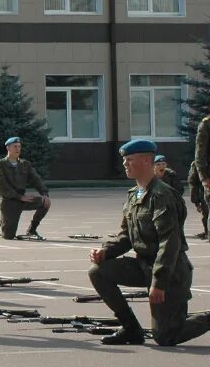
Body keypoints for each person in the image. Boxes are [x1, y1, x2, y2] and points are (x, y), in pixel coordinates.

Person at [88, 138, 210, 346]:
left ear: (146, 160)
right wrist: (105, 252)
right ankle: (130, 329)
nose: (125, 164)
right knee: (98, 270)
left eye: (129, 160)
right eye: (124, 160)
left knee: (165, 337)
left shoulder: (163, 195)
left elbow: (169, 243)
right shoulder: (134, 195)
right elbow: (126, 236)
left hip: (170, 272)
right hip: (144, 265)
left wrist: (159, 283)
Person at [0, 136, 51, 241]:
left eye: (19, 147)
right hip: (9, 201)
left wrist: (44, 194)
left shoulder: (25, 164)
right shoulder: (0, 164)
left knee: (45, 202)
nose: (18, 149)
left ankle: (31, 230)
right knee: (8, 236)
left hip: (23, 199)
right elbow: (2, 187)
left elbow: (36, 179)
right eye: (15, 146)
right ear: (8, 148)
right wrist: (19, 197)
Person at [188, 161, 208, 240]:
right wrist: (196, 201)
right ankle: (207, 232)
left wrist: (196, 201)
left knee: (206, 214)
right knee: (206, 214)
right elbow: (193, 182)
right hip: (204, 193)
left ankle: (207, 232)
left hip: (205, 193)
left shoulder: (199, 163)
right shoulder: (197, 164)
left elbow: (192, 182)